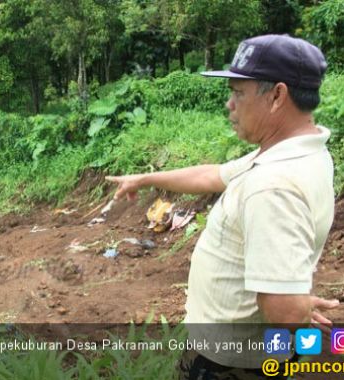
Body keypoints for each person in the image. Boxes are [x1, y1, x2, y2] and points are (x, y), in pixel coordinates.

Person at [106, 34, 340, 379]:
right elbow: (212, 175)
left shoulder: (272, 186)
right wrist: (145, 179)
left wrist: (296, 306)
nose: (229, 105)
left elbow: (284, 311)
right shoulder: (297, 150)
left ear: (277, 95)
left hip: (231, 363)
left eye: (238, 93)